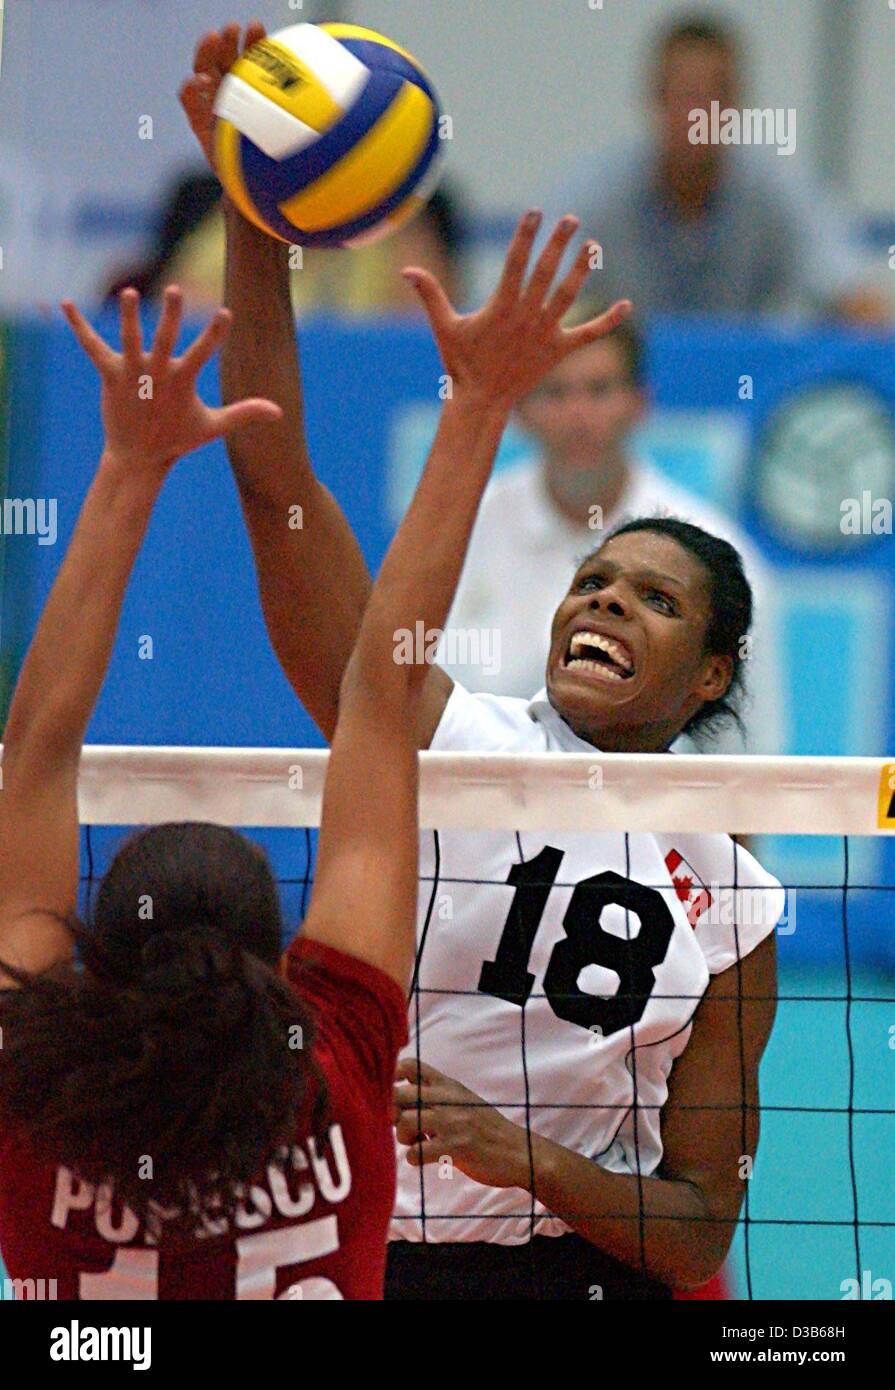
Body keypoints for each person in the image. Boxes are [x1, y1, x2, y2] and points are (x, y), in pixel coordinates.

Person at [183, 23, 783, 1300]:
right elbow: (270, 470)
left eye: (654, 602)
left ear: (710, 676)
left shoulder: (734, 899)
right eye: (596, 583)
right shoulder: (440, 742)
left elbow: (695, 1232)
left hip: (573, 1270)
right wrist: (255, 209)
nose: (607, 606)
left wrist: (519, 1155)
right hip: (370, 1254)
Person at [0, 237, 575, 1297]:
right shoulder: (339, 1074)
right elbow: (375, 699)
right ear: (275, 968)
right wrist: (477, 410)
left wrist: (126, 469)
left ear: (101, 963)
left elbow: (32, 750)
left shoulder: (31, 1094)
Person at [439, 302, 782, 753]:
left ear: (640, 403)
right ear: (520, 408)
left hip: (654, 819)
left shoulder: (718, 561)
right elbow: (419, 706)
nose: (578, 416)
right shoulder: (460, 531)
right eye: (555, 392)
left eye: (599, 390)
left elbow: (747, 767)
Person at [543, 12, 886, 323]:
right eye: (686, 95)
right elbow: (538, 303)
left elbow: (856, 293)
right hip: (623, 386)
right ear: (655, 99)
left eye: (713, 97)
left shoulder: (776, 188)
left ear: (737, 104)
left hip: (749, 385)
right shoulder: (597, 190)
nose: (698, 114)